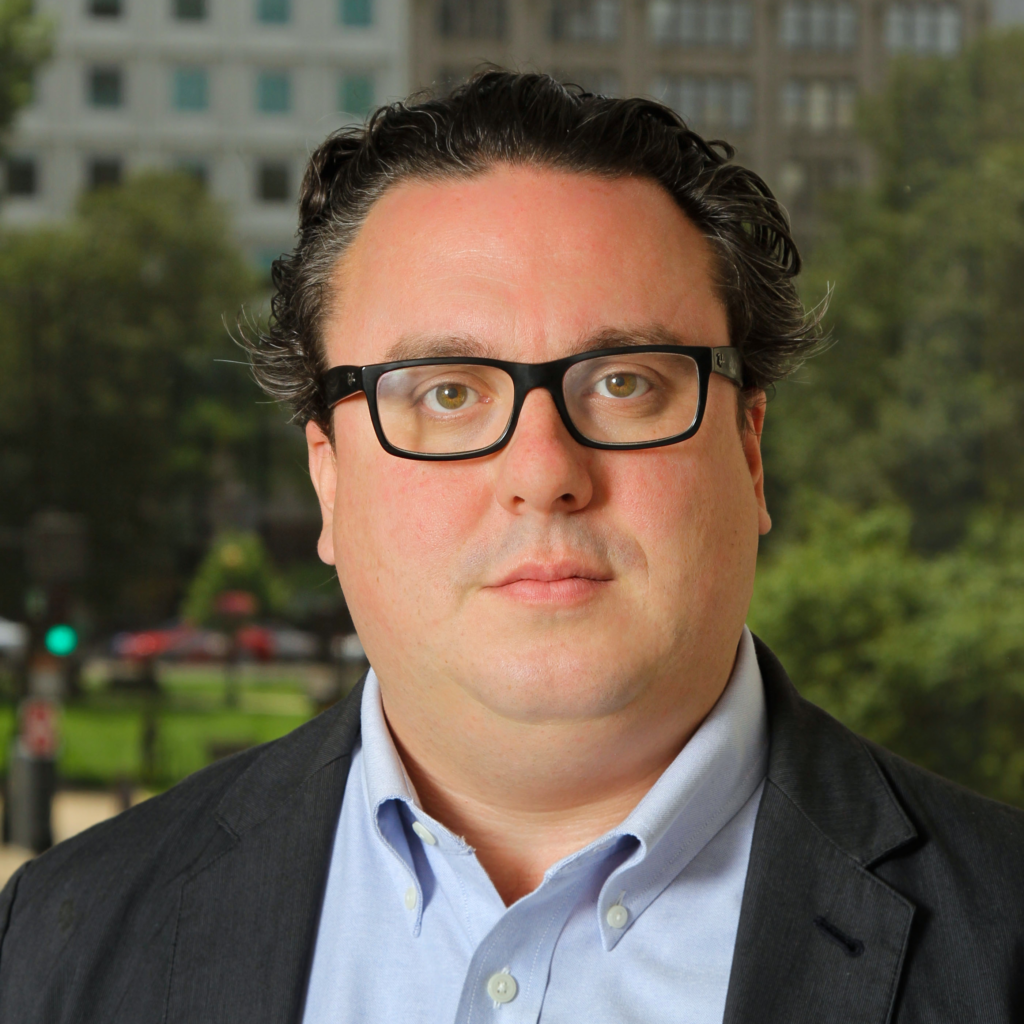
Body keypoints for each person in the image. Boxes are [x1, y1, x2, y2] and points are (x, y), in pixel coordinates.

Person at [0, 71, 1021, 1023]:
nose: (544, 469)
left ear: (750, 451)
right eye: (446, 393)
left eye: (625, 382)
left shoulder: (1001, 939)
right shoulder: (60, 944)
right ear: (328, 475)